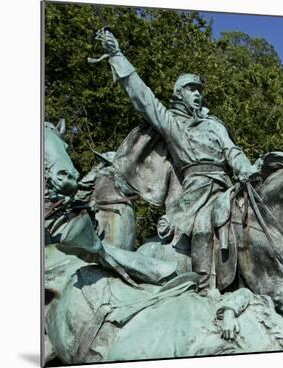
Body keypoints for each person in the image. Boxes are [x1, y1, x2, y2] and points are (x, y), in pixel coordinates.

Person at [94, 28, 259, 294]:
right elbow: (144, 99)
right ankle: (207, 288)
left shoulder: (214, 125)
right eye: (191, 89)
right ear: (178, 93)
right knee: (204, 226)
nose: (197, 94)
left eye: (199, 90)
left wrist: (248, 170)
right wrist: (117, 55)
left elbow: (232, 151)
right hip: (195, 191)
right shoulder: (174, 125)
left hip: (226, 186)